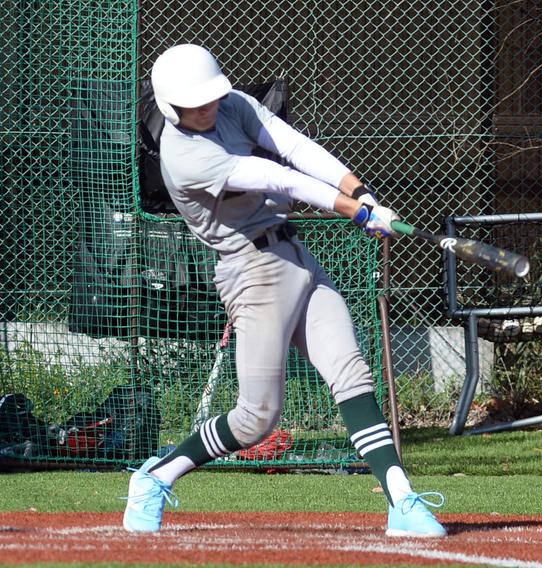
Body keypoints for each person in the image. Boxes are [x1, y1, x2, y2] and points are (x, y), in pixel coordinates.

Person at [122, 43, 446, 537]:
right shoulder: (184, 155)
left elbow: (293, 146)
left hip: (294, 255)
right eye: (197, 104)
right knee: (256, 419)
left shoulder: (231, 103)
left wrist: (360, 191)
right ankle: (156, 476)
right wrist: (356, 213)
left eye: (211, 97)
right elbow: (278, 176)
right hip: (252, 271)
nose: (210, 108)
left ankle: (402, 501)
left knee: (351, 374)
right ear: (171, 108)